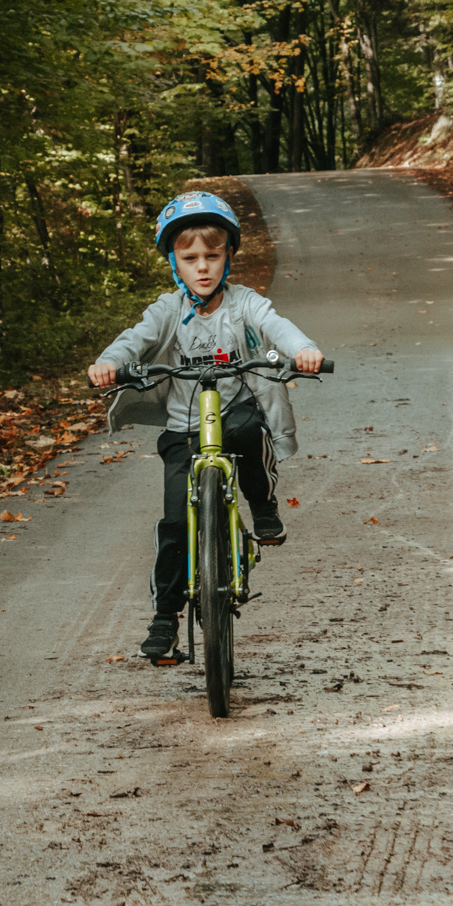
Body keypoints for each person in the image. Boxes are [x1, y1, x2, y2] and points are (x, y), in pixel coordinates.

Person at [87, 192, 324, 665]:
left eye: (212, 256)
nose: (202, 267)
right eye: (189, 257)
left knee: (251, 433)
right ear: (174, 262)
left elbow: (277, 326)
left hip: (234, 410)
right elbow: (137, 338)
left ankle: (263, 504)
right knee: (175, 522)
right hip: (184, 427)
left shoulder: (244, 304)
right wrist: (111, 361)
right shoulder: (168, 310)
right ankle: (164, 619)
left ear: (228, 257)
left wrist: (304, 349)